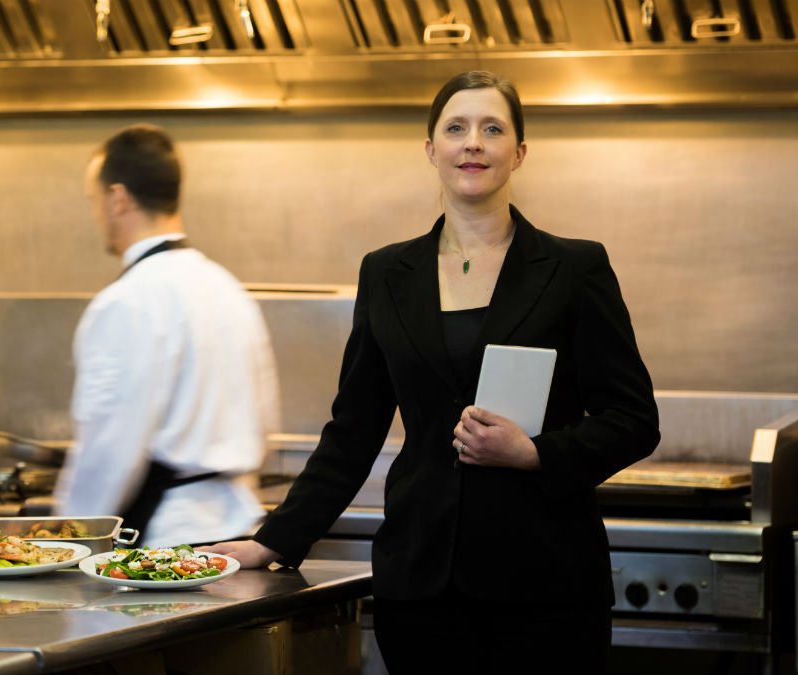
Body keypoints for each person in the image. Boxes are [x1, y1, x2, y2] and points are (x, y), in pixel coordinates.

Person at [202, 71, 660, 673]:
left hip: (545, 586)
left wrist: (534, 453)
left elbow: (633, 419)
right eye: (456, 128)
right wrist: (275, 539)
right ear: (431, 150)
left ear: (519, 152)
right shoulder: (388, 273)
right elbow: (354, 428)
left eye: (492, 128)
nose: (473, 142)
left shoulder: (575, 267)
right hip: (422, 590)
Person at [52, 124, 281, 548]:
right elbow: (266, 421)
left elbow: (109, 449)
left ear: (118, 198)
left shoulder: (125, 301)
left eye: (94, 200)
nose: (94, 214)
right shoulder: (227, 288)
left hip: (168, 545)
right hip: (239, 533)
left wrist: (68, 540)